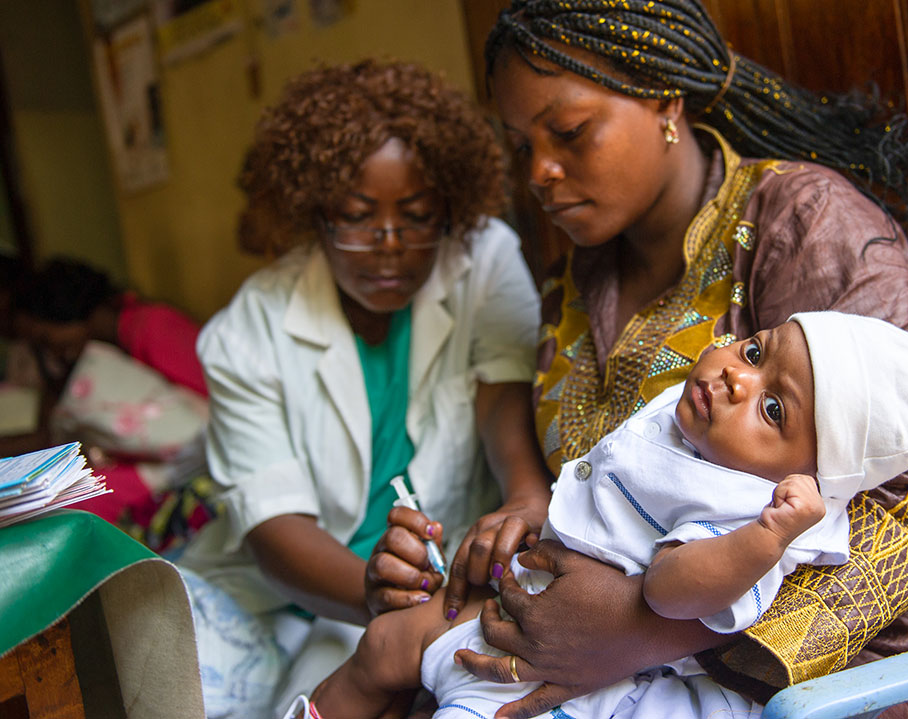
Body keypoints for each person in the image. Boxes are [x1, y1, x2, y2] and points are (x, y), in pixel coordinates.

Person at [367, 3, 908, 718]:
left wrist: (640, 630)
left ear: (664, 99)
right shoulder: (583, 275)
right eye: (520, 144)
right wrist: (517, 525)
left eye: (568, 132)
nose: (538, 172)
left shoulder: (805, 224)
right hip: (622, 677)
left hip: (853, 679)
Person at [300, 311, 908, 719]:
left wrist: (765, 538)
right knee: (382, 644)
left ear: (802, 479)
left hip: (585, 680)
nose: (738, 378)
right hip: (521, 609)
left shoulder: (748, 512)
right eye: (756, 353)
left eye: (774, 410)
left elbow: (669, 590)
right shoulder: (694, 426)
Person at [176, 60, 550, 719]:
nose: (388, 247)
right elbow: (274, 526)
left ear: (452, 208)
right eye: (355, 217)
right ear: (315, 212)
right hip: (294, 588)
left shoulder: (482, 257)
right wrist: (372, 587)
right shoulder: (249, 330)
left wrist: (525, 492)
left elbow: (502, 393)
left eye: (416, 216)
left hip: (428, 584)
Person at [10, 257, 212, 547]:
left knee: (74, 508)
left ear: (69, 313)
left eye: (46, 337)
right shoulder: (98, 351)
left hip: (192, 457)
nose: (50, 349)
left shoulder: (152, 326)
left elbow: (205, 404)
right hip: (155, 461)